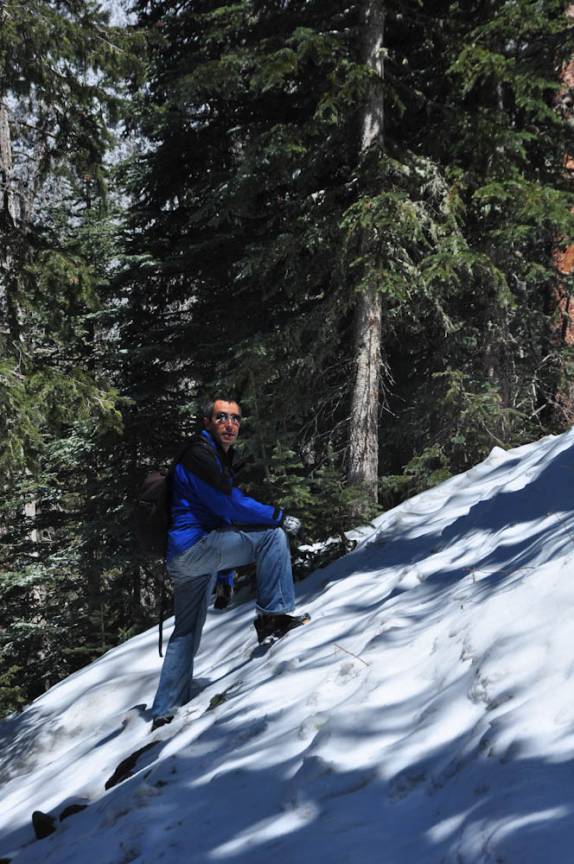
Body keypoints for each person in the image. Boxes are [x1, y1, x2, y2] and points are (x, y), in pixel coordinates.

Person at [150, 397, 309, 729]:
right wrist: (278, 516)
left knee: (186, 631)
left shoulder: (211, 456)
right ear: (207, 422)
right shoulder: (199, 456)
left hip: (183, 557)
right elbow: (229, 507)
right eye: (221, 417)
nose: (230, 424)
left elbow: (217, 518)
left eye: (235, 419)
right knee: (272, 536)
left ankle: (164, 711)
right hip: (195, 548)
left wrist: (225, 577)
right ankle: (273, 618)